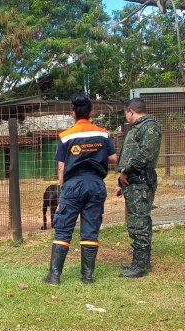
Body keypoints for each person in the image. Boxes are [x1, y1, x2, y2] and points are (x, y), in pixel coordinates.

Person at [44, 93, 117, 285]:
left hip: (72, 185)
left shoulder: (66, 136)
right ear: (91, 113)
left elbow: (60, 167)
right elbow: (113, 158)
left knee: (63, 229)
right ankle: (87, 276)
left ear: (73, 114)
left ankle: (54, 276)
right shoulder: (102, 133)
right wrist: (95, 154)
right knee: (90, 230)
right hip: (95, 184)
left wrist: (62, 193)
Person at [114, 98, 162, 278]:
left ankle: (141, 265)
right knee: (136, 222)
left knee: (139, 223)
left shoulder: (149, 127)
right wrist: (122, 183)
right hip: (133, 183)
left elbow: (146, 155)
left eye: (126, 113)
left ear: (131, 111)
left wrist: (126, 170)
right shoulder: (138, 128)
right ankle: (139, 261)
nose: (126, 116)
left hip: (141, 182)